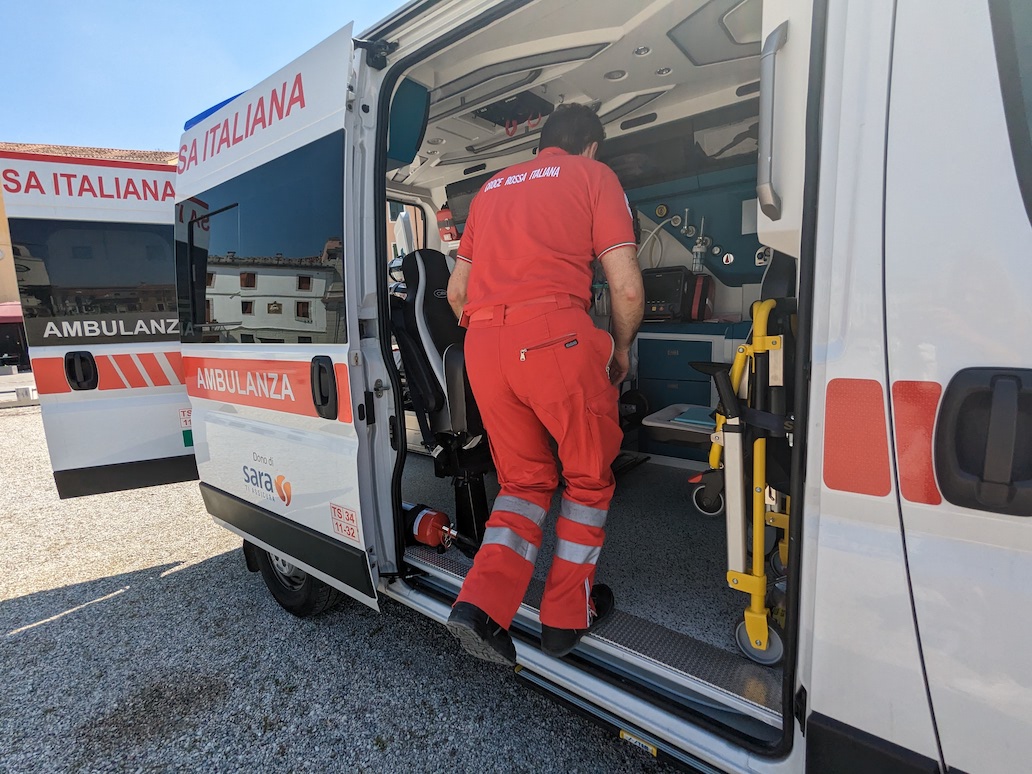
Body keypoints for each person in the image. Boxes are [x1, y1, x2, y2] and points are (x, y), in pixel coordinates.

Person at [445, 103, 645, 664]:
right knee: (586, 479)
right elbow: (626, 289)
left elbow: (457, 294)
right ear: (592, 147)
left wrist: (499, 333)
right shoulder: (594, 177)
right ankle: (564, 617)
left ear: (541, 145)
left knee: (525, 482)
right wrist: (620, 349)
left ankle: (481, 607)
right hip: (555, 337)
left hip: (483, 346)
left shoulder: (489, 191)